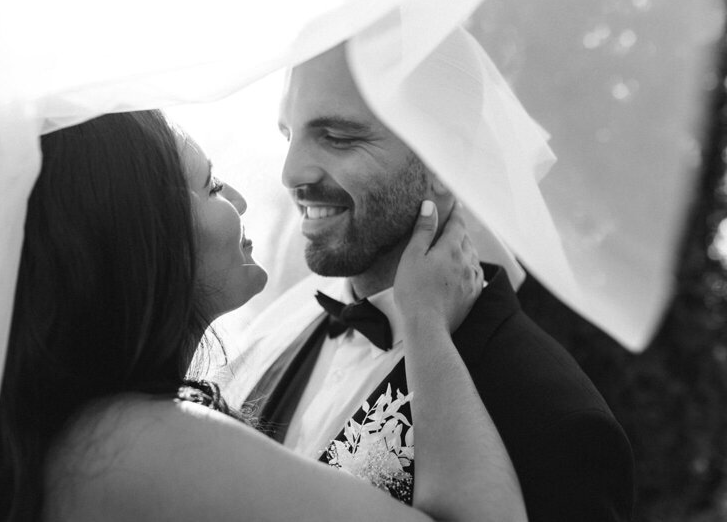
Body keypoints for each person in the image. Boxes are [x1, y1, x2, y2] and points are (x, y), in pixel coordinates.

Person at [0, 109, 528, 521]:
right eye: (209, 186)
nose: (241, 196)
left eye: (338, 135)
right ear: (140, 241)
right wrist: (426, 323)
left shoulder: (77, 431)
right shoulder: (133, 446)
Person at [223, 44, 636, 521]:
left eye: (337, 136)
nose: (291, 172)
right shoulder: (284, 328)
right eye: (289, 135)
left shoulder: (556, 422)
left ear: (444, 160)